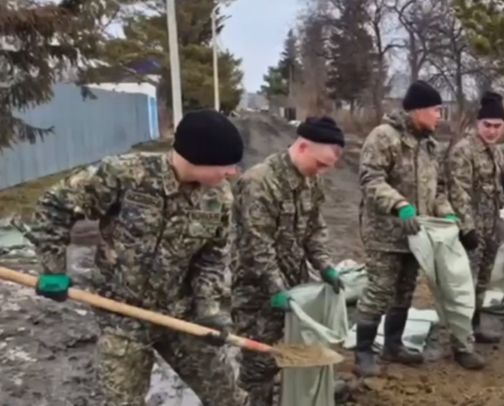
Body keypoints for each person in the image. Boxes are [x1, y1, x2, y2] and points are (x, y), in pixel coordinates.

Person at [16, 109, 246, 405]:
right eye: (225, 165)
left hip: (179, 312)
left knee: (228, 396)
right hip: (120, 314)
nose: (232, 172)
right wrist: (52, 268)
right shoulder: (125, 174)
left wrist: (211, 310)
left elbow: (211, 259)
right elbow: (55, 204)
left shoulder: (220, 198)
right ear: (196, 157)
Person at [354, 80, 485, 375]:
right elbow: (370, 179)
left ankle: (393, 345)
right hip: (385, 233)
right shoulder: (384, 137)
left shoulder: (428, 144)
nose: (440, 116)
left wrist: (449, 216)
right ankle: (363, 353)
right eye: (436, 110)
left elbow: (437, 189)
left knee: (404, 290)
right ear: (418, 110)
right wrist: (399, 204)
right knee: (379, 289)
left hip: (417, 235)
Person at [230, 116, 346, 406]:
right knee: (259, 364)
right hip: (257, 292)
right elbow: (258, 246)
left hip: (294, 287)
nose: (322, 172)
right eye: (321, 164)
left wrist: (325, 266)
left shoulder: (310, 181)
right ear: (303, 147)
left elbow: (315, 230)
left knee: (295, 350)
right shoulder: (259, 182)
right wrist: (276, 289)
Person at [445, 91, 504, 344]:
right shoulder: (463, 151)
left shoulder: (495, 152)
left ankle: (474, 328)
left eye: (497, 126)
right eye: (487, 125)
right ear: (478, 124)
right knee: (465, 283)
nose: (492, 131)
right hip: (470, 230)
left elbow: (495, 193)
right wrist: (467, 228)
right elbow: (458, 191)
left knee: (482, 282)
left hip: (490, 228)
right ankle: (460, 338)